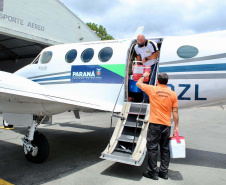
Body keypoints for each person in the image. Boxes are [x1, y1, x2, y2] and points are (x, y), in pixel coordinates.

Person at [136, 72, 179, 180]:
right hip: (166, 125)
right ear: (167, 82)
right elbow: (175, 111)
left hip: (155, 124)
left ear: (157, 81)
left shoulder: (152, 89)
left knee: (152, 148)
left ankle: (153, 173)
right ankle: (164, 172)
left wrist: (144, 75)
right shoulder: (172, 94)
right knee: (165, 149)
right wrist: (176, 126)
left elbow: (138, 84)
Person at [134, 34, 159, 102]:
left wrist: (147, 58)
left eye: (142, 43)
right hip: (144, 66)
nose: (140, 44)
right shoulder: (136, 47)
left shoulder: (151, 44)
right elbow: (138, 56)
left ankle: (150, 100)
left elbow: (156, 55)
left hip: (153, 64)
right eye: (139, 43)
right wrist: (139, 66)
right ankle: (145, 99)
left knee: (151, 82)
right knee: (143, 82)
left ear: (144, 40)